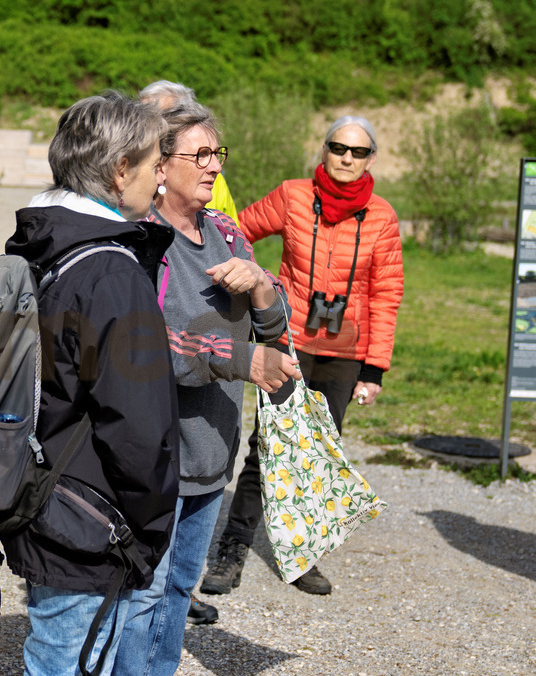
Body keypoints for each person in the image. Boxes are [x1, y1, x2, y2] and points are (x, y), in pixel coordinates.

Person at [113, 104, 299, 676]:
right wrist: (240, 358)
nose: (214, 166)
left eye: (218, 154)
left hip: (213, 453)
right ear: (160, 167)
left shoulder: (227, 234)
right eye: (200, 155)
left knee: (178, 592)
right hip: (157, 456)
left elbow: (276, 331)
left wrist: (263, 290)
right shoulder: (145, 242)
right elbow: (143, 348)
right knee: (143, 591)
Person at [0, 91, 180, 675]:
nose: (160, 182)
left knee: (52, 653)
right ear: (119, 169)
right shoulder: (109, 272)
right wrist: (150, 529)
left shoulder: (40, 242)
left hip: (37, 495)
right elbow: (140, 427)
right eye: (156, 165)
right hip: (88, 520)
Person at [201, 115, 404, 597]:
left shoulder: (382, 216)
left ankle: (304, 555)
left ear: (370, 158)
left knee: (319, 452)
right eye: (339, 148)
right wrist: (263, 285)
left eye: (357, 151)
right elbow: (238, 230)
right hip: (286, 340)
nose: (347, 158)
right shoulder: (293, 195)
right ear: (325, 150)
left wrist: (374, 368)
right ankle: (233, 549)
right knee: (267, 446)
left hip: (344, 351)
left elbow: (386, 293)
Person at [138, 80, 238, 221]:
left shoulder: (214, 182)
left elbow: (233, 236)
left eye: (164, 118)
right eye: (142, 118)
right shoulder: (128, 179)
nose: (149, 128)